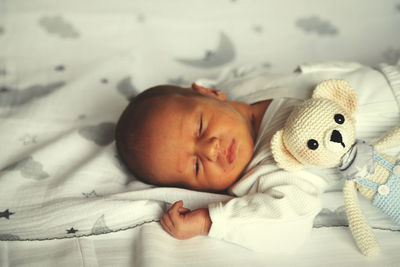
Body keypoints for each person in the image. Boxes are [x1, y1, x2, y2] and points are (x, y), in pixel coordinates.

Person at [115, 82, 328, 253]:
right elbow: (290, 225)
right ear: (200, 191)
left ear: (211, 92)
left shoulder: (250, 84)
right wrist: (209, 222)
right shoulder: (267, 173)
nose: (210, 150)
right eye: (196, 166)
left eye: (200, 127)